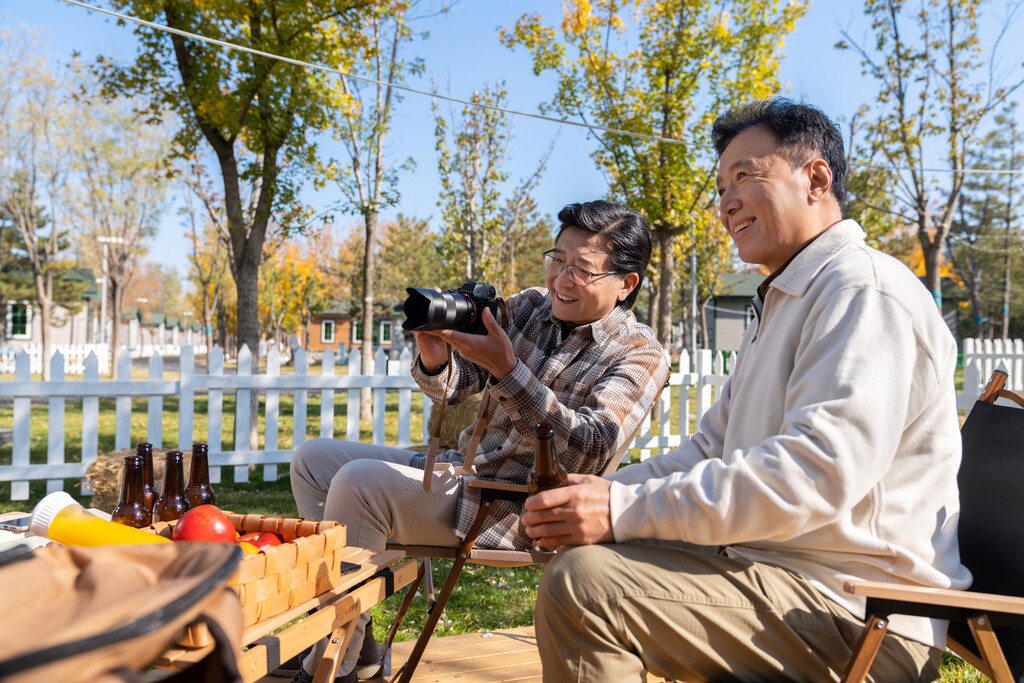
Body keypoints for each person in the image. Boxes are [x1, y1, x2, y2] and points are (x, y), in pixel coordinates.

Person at [522, 98, 971, 682]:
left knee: (587, 588)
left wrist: (620, 509)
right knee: (586, 563)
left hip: (863, 613)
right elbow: (707, 452)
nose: (725, 202)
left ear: (815, 178)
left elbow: (813, 475)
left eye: (745, 176)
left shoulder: (864, 292)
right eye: (720, 186)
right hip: (781, 578)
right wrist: (601, 492)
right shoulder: (786, 299)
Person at [287, 199, 670, 683]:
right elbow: (459, 383)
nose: (561, 279)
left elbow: (587, 448)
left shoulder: (641, 353)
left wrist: (510, 371)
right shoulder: (532, 306)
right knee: (311, 460)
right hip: (462, 469)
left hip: (518, 505)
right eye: (557, 260)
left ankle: (331, 664)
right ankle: (356, 644)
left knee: (358, 484)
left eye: (582, 270)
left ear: (626, 284)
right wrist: (435, 359)